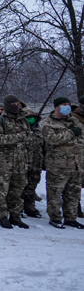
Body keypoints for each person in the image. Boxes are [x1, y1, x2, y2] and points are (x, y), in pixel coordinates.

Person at [41, 97, 84, 229]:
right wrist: (70, 133)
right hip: (58, 165)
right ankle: (55, 217)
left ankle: (71, 218)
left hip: (76, 164)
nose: (67, 106)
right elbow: (52, 139)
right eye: (64, 104)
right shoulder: (48, 123)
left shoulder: (75, 121)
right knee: (55, 192)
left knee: (73, 193)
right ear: (56, 107)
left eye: (68, 104)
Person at [0, 95, 31, 229]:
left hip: (20, 161)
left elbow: (29, 137)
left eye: (17, 103)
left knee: (17, 190)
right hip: (4, 162)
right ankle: (2, 216)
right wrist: (18, 137)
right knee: (2, 190)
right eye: (13, 103)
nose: (16, 106)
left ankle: (15, 216)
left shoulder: (23, 120)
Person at [20, 108, 44, 218]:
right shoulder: (20, 130)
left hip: (36, 163)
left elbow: (44, 146)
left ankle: (29, 206)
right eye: (28, 117)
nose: (31, 119)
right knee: (19, 186)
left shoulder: (39, 130)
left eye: (33, 117)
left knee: (32, 185)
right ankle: (18, 207)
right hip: (22, 162)